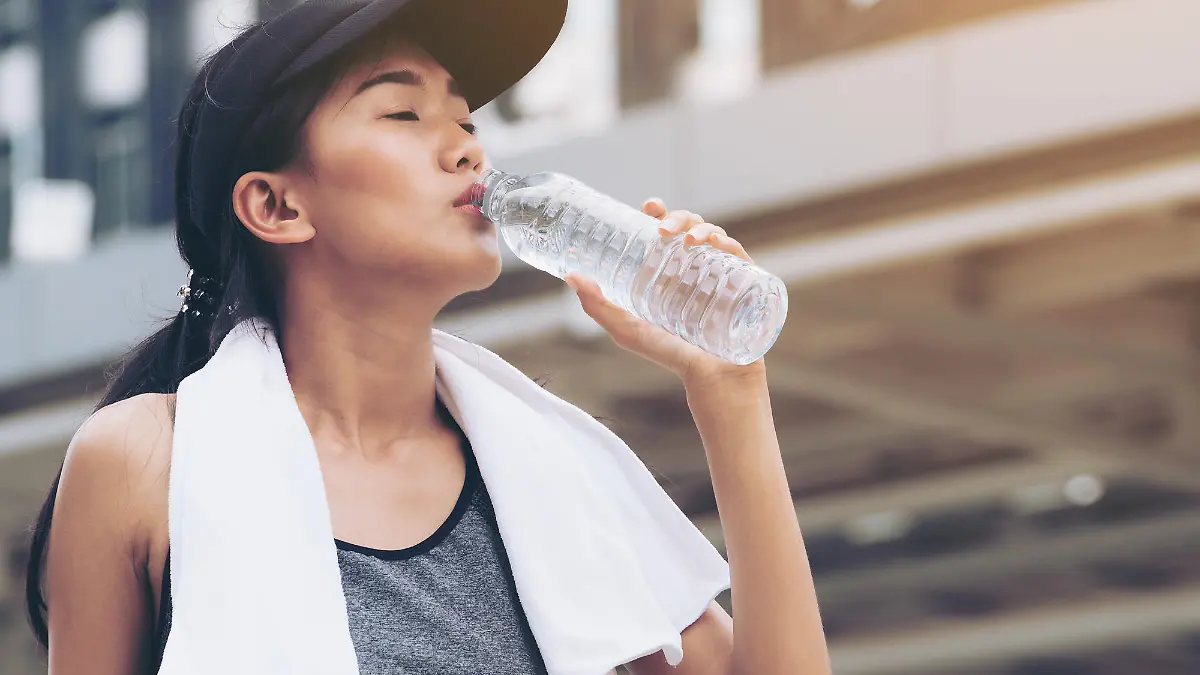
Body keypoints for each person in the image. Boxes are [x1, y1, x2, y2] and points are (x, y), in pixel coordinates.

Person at [24, 1, 830, 674]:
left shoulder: (554, 473)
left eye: (465, 117)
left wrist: (731, 392)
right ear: (276, 206)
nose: (466, 146)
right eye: (403, 112)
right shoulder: (145, 461)